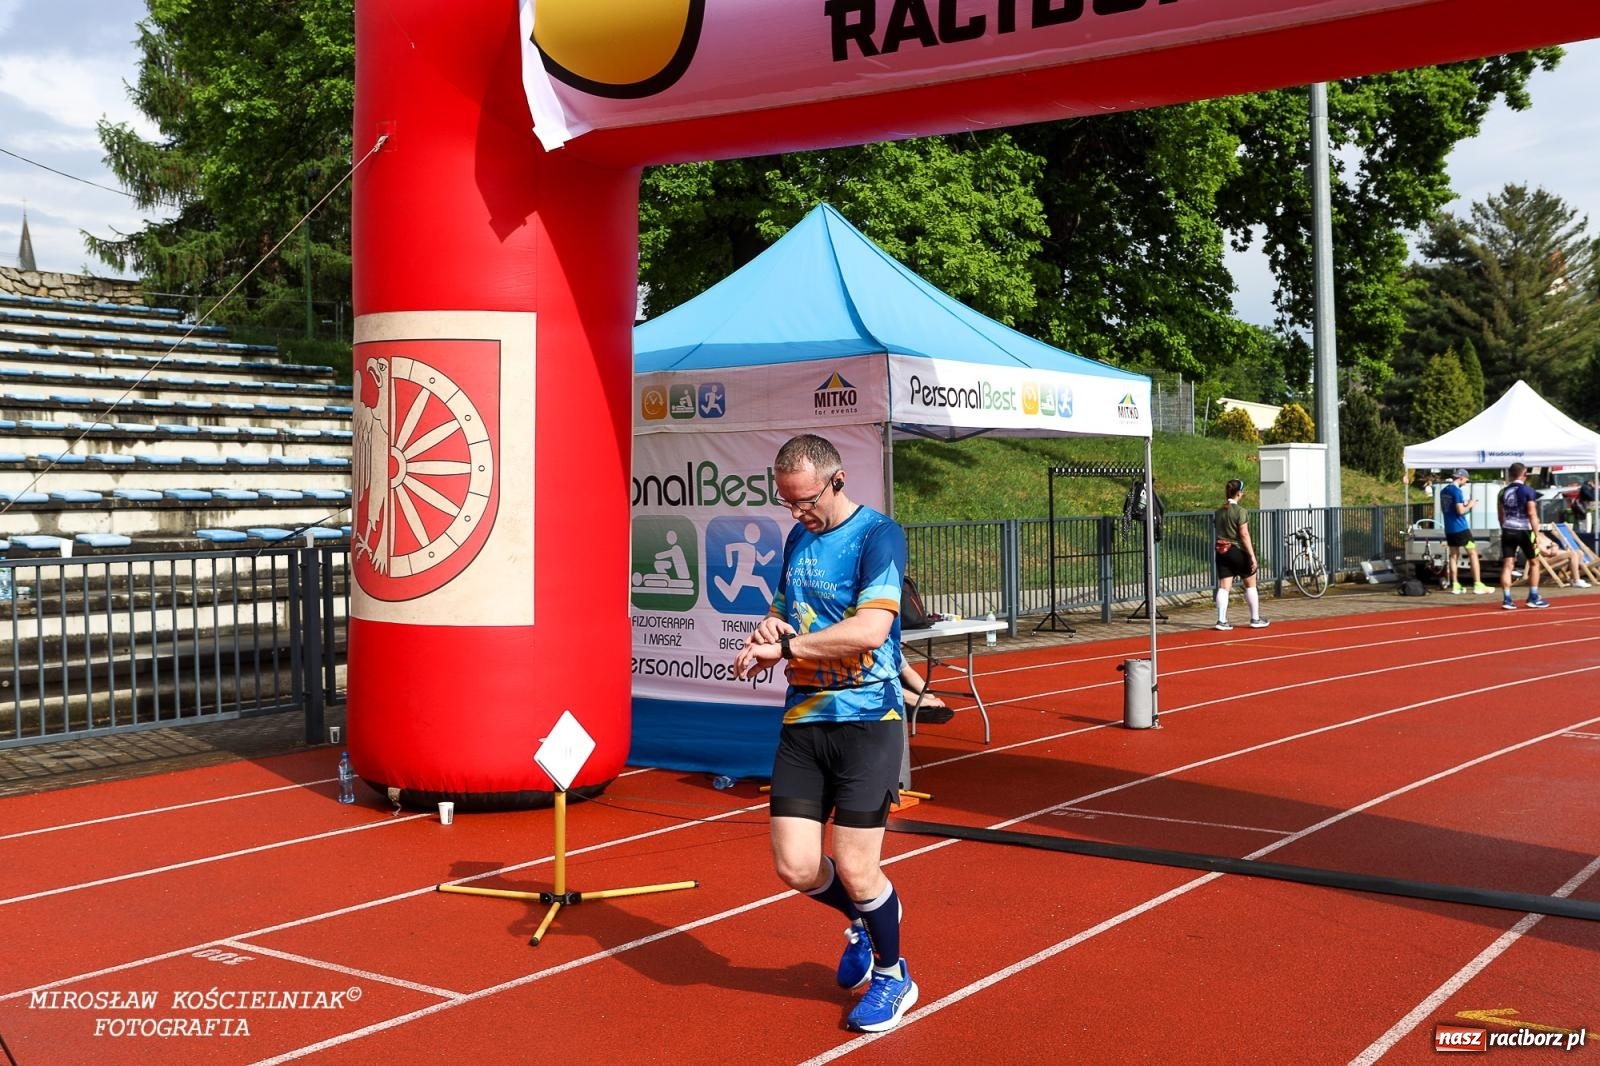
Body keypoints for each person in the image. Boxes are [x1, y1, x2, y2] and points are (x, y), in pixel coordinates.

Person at [731, 433, 918, 1034]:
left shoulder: (878, 536)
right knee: (795, 866)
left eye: (805, 501)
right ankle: (866, 917)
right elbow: (782, 610)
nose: (796, 513)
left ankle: (893, 975)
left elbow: (869, 631)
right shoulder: (797, 537)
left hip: (867, 720)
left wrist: (787, 649)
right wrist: (767, 633)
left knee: (858, 867)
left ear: (837, 481)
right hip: (804, 718)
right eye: (786, 501)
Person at [1212, 478, 1268, 631]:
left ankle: (1221, 620)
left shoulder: (1218, 512)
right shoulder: (1240, 511)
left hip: (1221, 551)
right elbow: (1244, 534)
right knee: (1250, 583)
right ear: (1238, 493)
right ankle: (1255, 618)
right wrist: (1252, 556)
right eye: (1242, 491)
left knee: (1224, 587)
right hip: (1236, 550)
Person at [1496, 462, 1549, 610]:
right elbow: (1532, 513)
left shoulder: (1502, 492)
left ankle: (1507, 599)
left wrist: (1504, 527)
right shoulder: (1528, 491)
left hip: (1508, 529)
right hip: (1525, 530)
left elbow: (1501, 515)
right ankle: (1533, 597)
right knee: (1534, 562)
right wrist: (1536, 534)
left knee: (1508, 564)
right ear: (1524, 474)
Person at [1438, 469, 1491, 594]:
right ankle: (1478, 584)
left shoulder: (1443, 491)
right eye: (1466, 480)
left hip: (1449, 528)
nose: (1466, 483)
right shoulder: (1457, 491)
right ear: (1461, 478)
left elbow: (1449, 508)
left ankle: (1455, 584)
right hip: (1461, 528)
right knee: (1473, 553)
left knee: (1453, 556)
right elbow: (1460, 511)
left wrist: (1464, 504)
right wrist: (1470, 505)